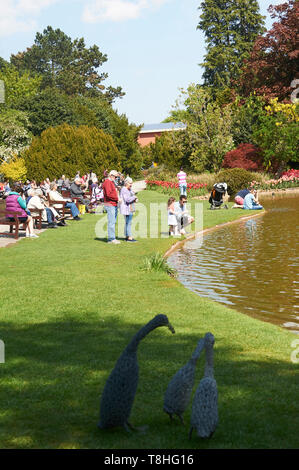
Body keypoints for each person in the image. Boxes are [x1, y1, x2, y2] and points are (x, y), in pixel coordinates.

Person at [102, 170, 120, 244]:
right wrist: (117, 198)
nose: (116, 178)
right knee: (111, 222)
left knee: (113, 221)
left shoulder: (111, 182)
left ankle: (112, 238)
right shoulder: (107, 182)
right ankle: (111, 239)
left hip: (113, 204)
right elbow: (109, 194)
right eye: (115, 177)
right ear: (111, 175)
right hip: (110, 204)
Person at [120, 177, 138, 242]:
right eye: (130, 183)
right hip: (127, 209)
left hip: (130, 208)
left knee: (128, 222)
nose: (131, 184)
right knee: (129, 223)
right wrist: (134, 197)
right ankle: (129, 237)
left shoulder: (129, 189)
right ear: (126, 183)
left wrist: (135, 198)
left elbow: (133, 196)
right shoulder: (124, 189)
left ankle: (127, 236)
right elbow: (127, 199)